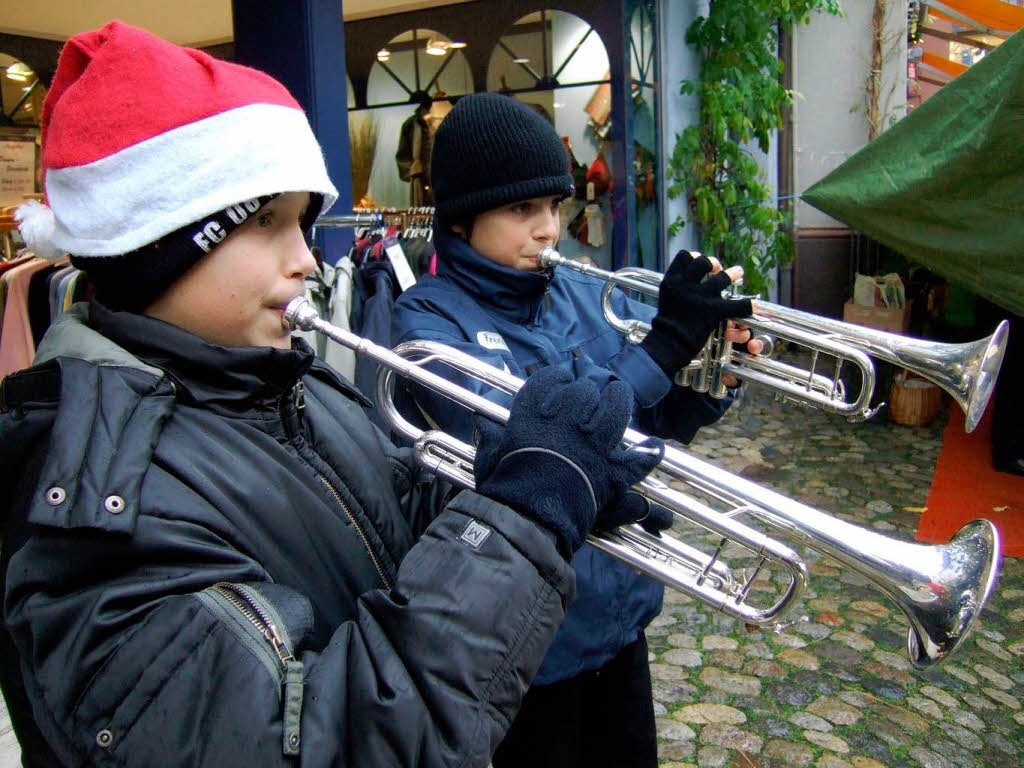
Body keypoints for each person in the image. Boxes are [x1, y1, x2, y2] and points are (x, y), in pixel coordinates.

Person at [0, 23, 664, 767]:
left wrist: (522, 480)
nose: (307, 262)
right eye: (265, 223)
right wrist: (519, 523)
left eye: (304, 223)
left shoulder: (289, 381)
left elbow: (392, 525)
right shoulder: (92, 507)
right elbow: (324, 743)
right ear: (157, 242)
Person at [390, 92, 763, 768]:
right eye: (521, 210)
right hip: (527, 649)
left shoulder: (580, 292)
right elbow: (526, 448)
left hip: (618, 623)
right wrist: (660, 348)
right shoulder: (427, 321)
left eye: (555, 207)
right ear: (463, 217)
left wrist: (698, 392)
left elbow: (632, 431)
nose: (547, 231)